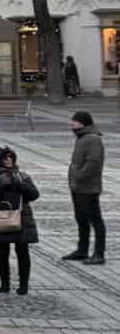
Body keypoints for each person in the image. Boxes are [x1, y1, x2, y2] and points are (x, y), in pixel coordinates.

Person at [0, 146, 40, 295]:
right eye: (5, 158)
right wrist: (2, 183)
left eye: (11, 157)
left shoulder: (22, 176)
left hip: (22, 218)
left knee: (23, 251)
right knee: (2, 251)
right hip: (2, 218)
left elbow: (34, 194)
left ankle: (23, 285)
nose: (8, 160)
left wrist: (21, 185)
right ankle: (5, 283)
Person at [66, 111, 105, 264]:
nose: (72, 124)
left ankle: (99, 253)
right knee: (81, 219)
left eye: (74, 121)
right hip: (77, 187)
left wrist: (80, 176)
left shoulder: (92, 139)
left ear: (83, 123)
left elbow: (93, 162)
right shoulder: (82, 137)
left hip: (88, 188)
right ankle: (82, 250)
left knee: (95, 220)